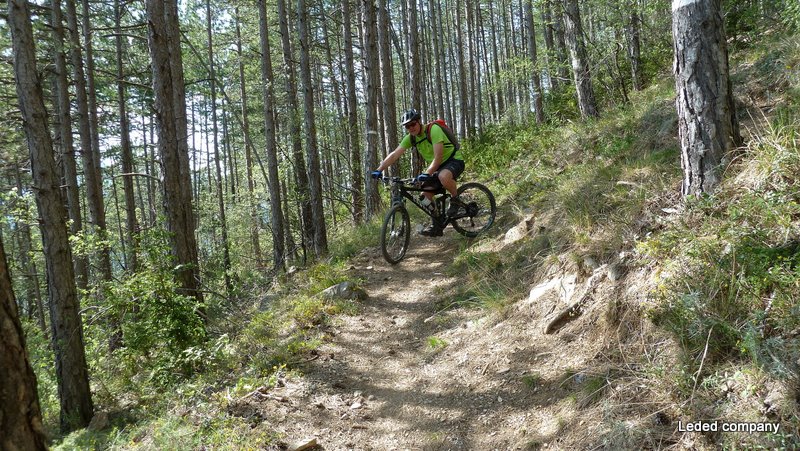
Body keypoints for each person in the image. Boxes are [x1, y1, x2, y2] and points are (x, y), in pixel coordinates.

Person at [371, 109, 465, 237]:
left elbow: (438, 157)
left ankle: (456, 199)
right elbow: (394, 155)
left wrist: (427, 172)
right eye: (407, 126)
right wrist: (379, 169)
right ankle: (437, 225)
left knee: (443, 176)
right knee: (424, 197)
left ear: (419, 122)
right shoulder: (411, 138)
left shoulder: (433, 130)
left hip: (453, 160)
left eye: (413, 124)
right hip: (437, 167)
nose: (411, 128)